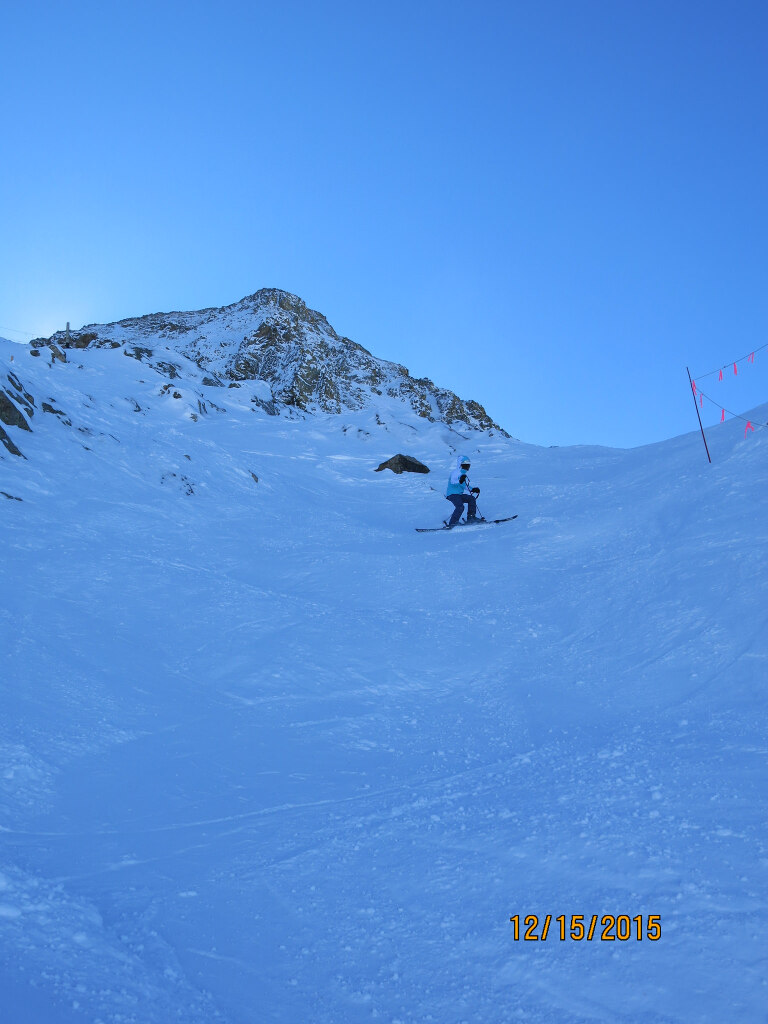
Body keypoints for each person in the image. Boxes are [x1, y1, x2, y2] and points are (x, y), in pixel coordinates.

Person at [444, 455, 483, 528]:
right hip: (452, 494)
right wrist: (460, 480)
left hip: (459, 495)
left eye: (468, 465)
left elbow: (464, 486)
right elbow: (453, 482)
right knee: (460, 507)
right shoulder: (455, 473)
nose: (467, 467)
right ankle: (452, 523)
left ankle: (471, 517)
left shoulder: (463, 474)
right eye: (465, 465)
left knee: (471, 498)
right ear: (460, 465)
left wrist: (473, 489)